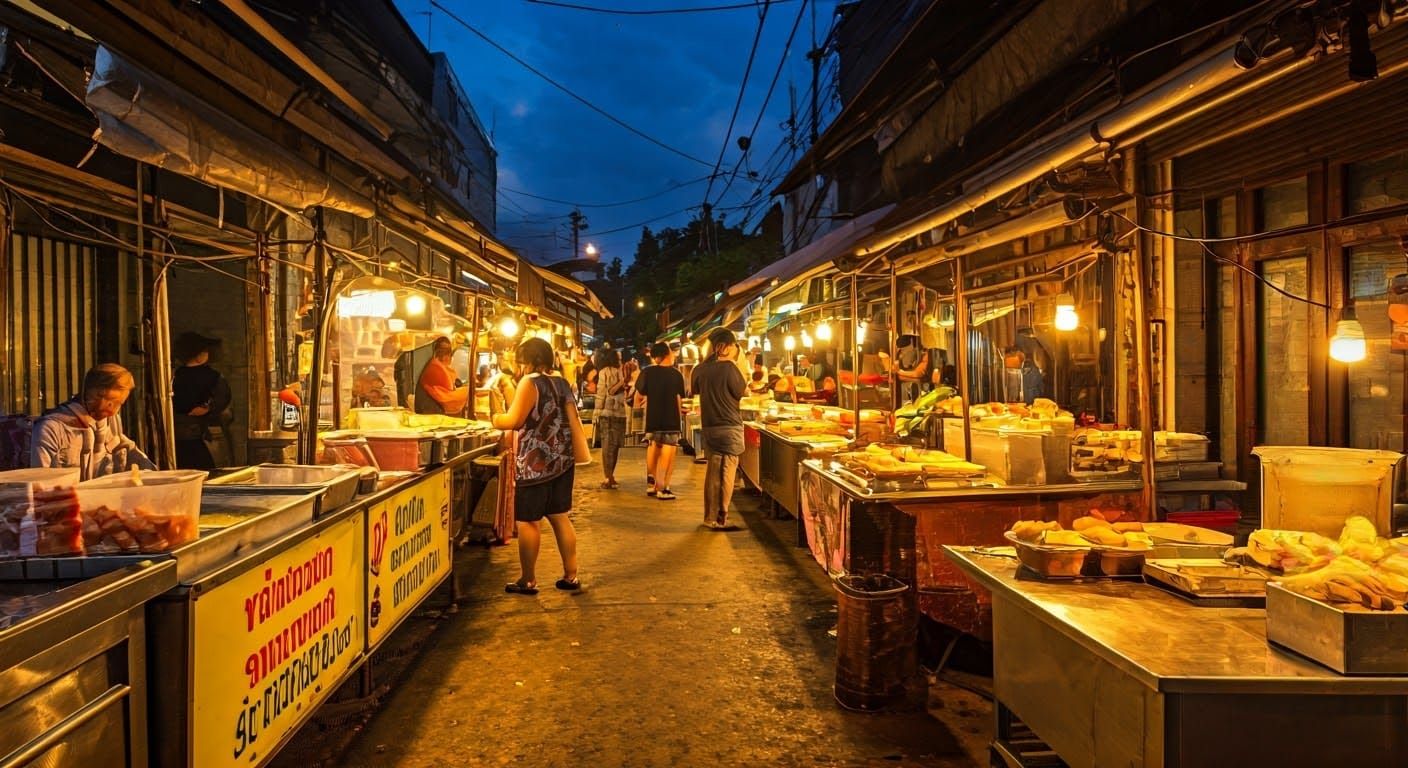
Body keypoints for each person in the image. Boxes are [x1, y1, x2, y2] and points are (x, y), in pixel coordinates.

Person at [491, 337, 582, 595]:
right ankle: (571, 576)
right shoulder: (562, 383)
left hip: (535, 463)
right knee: (560, 516)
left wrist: (495, 418)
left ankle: (528, 580)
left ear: (528, 361)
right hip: (563, 462)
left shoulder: (529, 382)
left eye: (520, 361)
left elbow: (515, 419)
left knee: (528, 522)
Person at [32, 363, 156, 480]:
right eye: (109, 402)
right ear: (92, 393)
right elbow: (40, 482)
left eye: (119, 404)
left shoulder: (111, 420)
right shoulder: (51, 429)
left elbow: (123, 445)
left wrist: (157, 476)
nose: (113, 411)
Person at [691, 329, 747, 530]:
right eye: (733, 346)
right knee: (728, 470)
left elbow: (694, 390)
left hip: (710, 426)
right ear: (726, 346)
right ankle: (723, 517)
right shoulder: (730, 368)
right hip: (730, 425)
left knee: (713, 471)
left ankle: (709, 517)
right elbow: (741, 392)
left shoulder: (699, 369)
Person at [171, 332, 232, 470]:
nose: (207, 354)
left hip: (181, 434)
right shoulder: (213, 377)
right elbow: (223, 398)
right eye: (204, 351)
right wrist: (208, 408)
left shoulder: (174, 376)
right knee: (209, 470)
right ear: (198, 355)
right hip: (204, 433)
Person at [633, 341, 685, 500]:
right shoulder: (676, 374)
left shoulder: (647, 372)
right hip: (670, 419)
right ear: (667, 354)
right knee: (668, 451)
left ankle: (651, 483)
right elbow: (678, 400)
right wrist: (680, 420)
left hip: (652, 419)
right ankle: (662, 487)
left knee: (653, 446)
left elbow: (639, 395)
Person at [593, 348, 628, 489]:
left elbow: (601, 394)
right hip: (620, 413)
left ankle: (608, 477)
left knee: (607, 446)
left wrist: (596, 413)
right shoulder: (623, 371)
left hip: (607, 414)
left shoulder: (604, 372)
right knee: (615, 447)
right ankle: (611, 476)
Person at [417, 336, 469, 415]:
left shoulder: (442, 367)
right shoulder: (435, 367)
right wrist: (468, 392)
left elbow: (451, 387)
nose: (446, 356)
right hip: (430, 413)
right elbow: (446, 398)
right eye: (442, 351)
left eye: (447, 351)